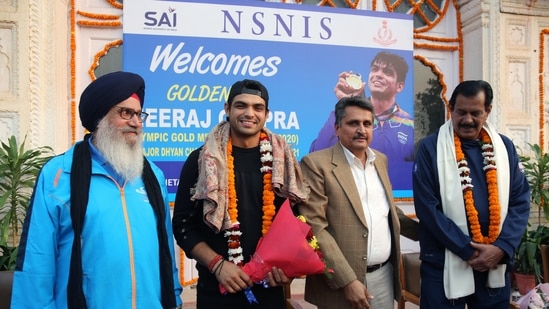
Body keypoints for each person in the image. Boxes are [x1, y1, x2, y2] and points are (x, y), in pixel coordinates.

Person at [10, 71, 183, 309]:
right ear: (100, 118)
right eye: (125, 113)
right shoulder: (59, 174)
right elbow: (36, 261)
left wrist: (173, 298)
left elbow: (165, 250)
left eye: (139, 114)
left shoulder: (152, 175)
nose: (135, 122)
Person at [172, 79, 309, 309]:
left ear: (267, 114)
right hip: (218, 289)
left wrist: (287, 271)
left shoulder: (282, 162)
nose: (249, 113)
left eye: (258, 108)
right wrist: (217, 265)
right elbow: (183, 226)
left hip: (269, 288)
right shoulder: (202, 161)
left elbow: (296, 222)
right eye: (240, 105)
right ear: (227, 109)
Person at [413, 80, 530, 308]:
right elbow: (428, 208)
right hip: (443, 261)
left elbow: (520, 201)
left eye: (476, 113)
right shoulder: (430, 148)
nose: (467, 120)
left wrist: (502, 248)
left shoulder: (504, 148)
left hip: (494, 262)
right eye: (461, 112)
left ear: (488, 111)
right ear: (451, 109)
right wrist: (467, 250)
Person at [298, 96, 419, 309]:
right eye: (353, 123)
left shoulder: (380, 160)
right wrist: (348, 281)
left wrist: (430, 234)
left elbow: (387, 211)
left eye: (367, 123)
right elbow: (315, 228)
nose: (361, 130)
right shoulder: (316, 164)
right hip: (341, 282)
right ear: (336, 128)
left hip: (383, 277)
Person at [309, 51, 414, 190]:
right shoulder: (349, 119)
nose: (378, 74)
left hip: (395, 201)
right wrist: (345, 103)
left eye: (387, 72)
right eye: (375, 69)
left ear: (400, 86)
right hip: (352, 199)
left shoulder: (409, 124)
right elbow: (317, 154)